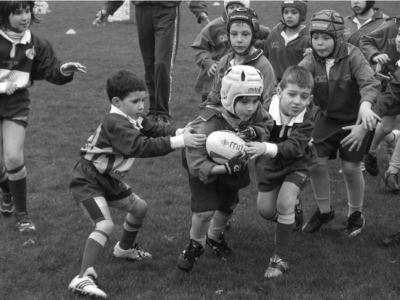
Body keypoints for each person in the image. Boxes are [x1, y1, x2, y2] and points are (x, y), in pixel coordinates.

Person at [68, 69, 206, 298]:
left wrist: (180, 130)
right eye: (135, 101)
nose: (141, 105)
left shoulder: (130, 117)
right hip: (88, 179)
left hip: (107, 179)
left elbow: (152, 127)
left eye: (143, 99)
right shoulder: (115, 122)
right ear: (116, 101)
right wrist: (180, 141)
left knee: (139, 207)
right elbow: (141, 146)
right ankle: (83, 277)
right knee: (104, 225)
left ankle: (124, 249)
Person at [176, 65, 273, 272]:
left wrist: (254, 132)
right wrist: (224, 168)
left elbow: (268, 123)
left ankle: (214, 236)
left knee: (228, 203)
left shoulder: (255, 113)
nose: (251, 107)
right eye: (245, 101)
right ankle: (196, 243)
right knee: (204, 211)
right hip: (205, 169)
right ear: (228, 97)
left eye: (255, 101)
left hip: (233, 164)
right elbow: (195, 165)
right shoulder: (205, 124)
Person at [0, 1, 87, 231]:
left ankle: (23, 216)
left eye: (27, 10)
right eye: (17, 12)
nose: (24, 17)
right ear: (4, 14)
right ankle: (7, 189)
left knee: (13, 158)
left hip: (15, 102)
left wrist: (64, 70)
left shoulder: (35, 43)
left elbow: (50, 69)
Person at [299, 10, 381, 237]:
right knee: (315, 161)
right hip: (326, 118)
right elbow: (295, 80)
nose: (319, 43)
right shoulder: (311, 59)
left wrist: (365, 106)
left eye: (325, 38)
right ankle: (325, 211)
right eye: (315, 38)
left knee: (351, 168)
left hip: (355, 121)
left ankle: (355, 213)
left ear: (338, 37)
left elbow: (370, 83)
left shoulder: (352, 55)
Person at [245, 65, 315, 279]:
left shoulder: (309, 118)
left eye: (303, 97)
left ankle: (279, 259)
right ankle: (292, 214)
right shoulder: (264, 109)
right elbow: (254, 129)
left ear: (310, 99)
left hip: (297, 164)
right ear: (278, 91)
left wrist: (264, 147)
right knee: (266, 211)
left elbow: (294, 147)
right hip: (268, 167)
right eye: (292, 94)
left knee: (284, 202)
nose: (297, 102)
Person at [93, 1, 208, 124]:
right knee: (149, 65)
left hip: (167, 10)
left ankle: (163, 113)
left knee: (162, 64)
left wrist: (199, 11)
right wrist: (107, 9)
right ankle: (153, 112)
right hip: (142, 11)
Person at [205, 7, 277, 108]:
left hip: (252, 121)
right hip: (223, 119)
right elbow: (215, 96)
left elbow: (268, 105)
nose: (239, 40)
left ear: (254, 35)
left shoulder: (264, 66)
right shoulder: (224, 62)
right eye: (234, 34)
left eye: (245, 34)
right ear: (228, 35)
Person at [359, 16, 400, 176]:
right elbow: (365, 41)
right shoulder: (390, 25)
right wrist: (375, 55)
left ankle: (392, 168)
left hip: (394, 80)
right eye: (399, 34)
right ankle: (371, 152)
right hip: (392, 81)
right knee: (387, 125)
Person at [191, 0, 250, 102]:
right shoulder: (213, 27)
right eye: (231, 7)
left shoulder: (250, 27)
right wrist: (207, 62)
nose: (235, 10)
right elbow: (200, 47)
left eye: (238, 7)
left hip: (238, 77)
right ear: (226, 9)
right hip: (214, 78)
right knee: (210, 110)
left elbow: (264, 38)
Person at [261, 0, 310, 82]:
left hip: (295, 85)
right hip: (272, 84)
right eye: (286, 12)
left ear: (302, 14)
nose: (289, 16)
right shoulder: (274, 33)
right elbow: (265, 57)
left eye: (294, 13)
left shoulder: (308, 38)